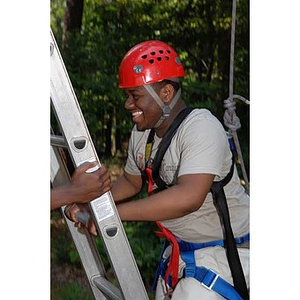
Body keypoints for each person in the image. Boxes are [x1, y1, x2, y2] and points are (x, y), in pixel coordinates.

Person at [66, 40, 250, 299]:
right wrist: (90, 203)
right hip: (183, 252)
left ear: (165, 94)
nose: (128, 104)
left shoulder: (201, 127)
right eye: (127, 95)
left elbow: (189, 198)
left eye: (135, 96)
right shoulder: (143, 134)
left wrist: (110, 216)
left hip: (227, 255)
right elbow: (131, 183)